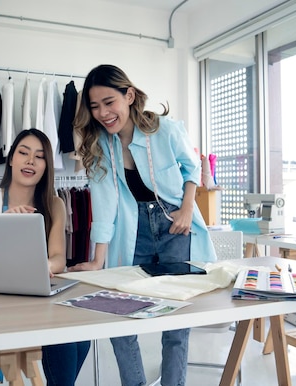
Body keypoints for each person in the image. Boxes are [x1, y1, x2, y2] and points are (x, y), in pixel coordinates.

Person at [69, 64, 217, 386]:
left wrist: (187, 209)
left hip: (174, 226)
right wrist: (97, 260)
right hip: (132, 231)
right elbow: (105, 205)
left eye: (109, 102)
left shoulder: (164, 129)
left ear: (129, 95)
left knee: (176, 324)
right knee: (119, 317)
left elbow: (191, 169)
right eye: (94, 106)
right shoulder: (99, 147)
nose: (103, 113)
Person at [0, 128, 90, 386]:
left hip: (35, 299)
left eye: (40, 156)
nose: (31, 160)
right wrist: (3, 229)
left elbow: (58, 259)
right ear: (11, 159)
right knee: (63, 337)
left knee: (81, 333)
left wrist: (41, 265)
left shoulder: (54, 205)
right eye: (23, 153)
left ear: (47, 166)